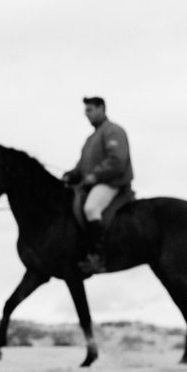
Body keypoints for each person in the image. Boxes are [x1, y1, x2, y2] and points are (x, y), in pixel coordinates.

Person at [62, 96, 133, 274]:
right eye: (86, 111)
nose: (87, 114)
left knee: (91, 208)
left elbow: (117, 160)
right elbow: (81, 167)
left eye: (90, 110)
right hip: (93, 186)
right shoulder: (90, 139)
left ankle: (98, 256)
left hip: (112, 184)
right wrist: (71, 175)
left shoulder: (113, 131)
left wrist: (96, 175)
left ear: (101, 108)